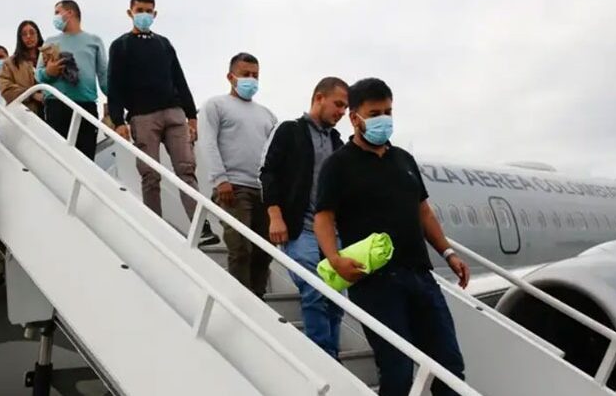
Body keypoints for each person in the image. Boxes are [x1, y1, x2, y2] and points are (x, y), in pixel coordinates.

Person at [314, 78, 469, 395]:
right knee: (397, 371)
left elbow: (424, 212)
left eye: (388, 112)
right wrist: (335, 259)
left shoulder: (404, 160)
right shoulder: (338, 165)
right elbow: (323, 218)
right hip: (376, 282)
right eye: (375, 114)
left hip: (420, 276)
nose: (384, 119)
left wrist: (448, 253)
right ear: (355, 118)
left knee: (449, 366)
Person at [107, 0, 218, 246]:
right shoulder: (121, 45)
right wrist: (118, 120)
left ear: (155, 13)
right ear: (130, 12)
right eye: (140, 10)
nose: (144, 15)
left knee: (186, 169)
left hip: (174, 111)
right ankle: (154, 226)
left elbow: (179, 78)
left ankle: (200, 227)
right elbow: (115, 84)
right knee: (150, 174)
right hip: (142, 115)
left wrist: (191, 114)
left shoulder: (164, 44)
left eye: (148, 11)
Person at [260, 76, 349, 357]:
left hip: (332, 232)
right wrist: (275, 216)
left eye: (346, 108)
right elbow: (268, 173)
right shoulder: (290, 131)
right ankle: (322, 358)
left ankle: (331, 356)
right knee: (314, 291)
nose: (342, 112)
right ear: (319, 98)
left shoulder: (337, 142)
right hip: (301, 229)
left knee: (336, 299)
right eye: (338, 104)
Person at [200, 52, 277, 298]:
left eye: (255, 75)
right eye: (246, 74)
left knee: (264, 251)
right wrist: (220, 179)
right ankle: (240, 302)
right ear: (230, 76)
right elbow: (208, 142)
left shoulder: (268, 115)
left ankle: (258, 299)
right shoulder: (216, 105)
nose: (251, 79)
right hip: (233, 188)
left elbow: (273, 154)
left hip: (262, 191)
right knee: (240, 249)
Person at [36, 0, 108, 160]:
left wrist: (117, 103)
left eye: (57, 12)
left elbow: (104, 76)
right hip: (56, 105)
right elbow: (38, 75)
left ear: (70, 13)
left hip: (86, 106)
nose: (55, 17)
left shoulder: (94, 41)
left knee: (86, 158)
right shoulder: (50, 42)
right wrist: (49, 72)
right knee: (58, 158)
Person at [0, 20, 45, 118]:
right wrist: (32, 94)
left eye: (32, 33)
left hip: (53, 110)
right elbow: (6, 90)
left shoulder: (50, 57)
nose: (28, 36)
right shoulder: (10, 63)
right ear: (20, 38)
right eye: (24, 34)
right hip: (27, 115)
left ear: (38, 35)